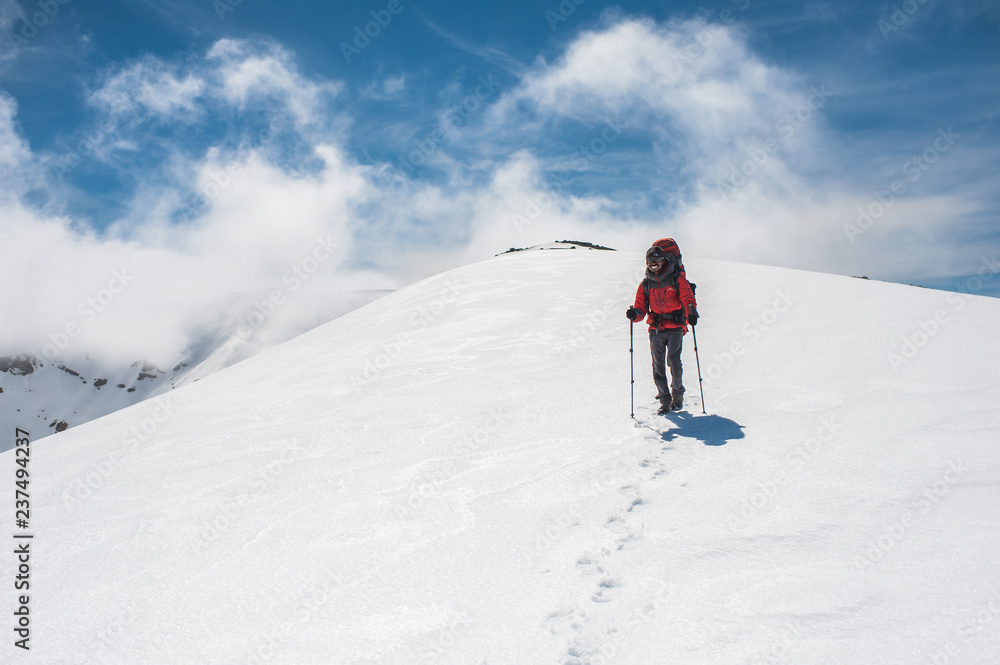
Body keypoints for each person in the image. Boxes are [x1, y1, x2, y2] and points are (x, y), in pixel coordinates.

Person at [626, 242, 698, 414]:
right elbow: (641, 308)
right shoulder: (645, 284)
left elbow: (688, 298)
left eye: (656, 260)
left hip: (675, 327)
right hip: (656, 329)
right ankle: (665, 399)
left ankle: (678, 394)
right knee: (658, 365)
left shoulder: (676, 278)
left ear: (663, 260)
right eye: (650, 261)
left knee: (673, 361)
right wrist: (634, 314)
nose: (653, 263)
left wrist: (691, 314)